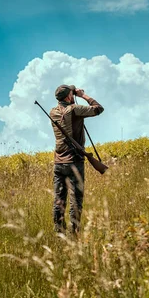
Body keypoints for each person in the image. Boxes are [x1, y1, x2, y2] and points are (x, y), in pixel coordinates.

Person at [50, 84, 104, 234]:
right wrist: (83, 96)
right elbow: (98, 108)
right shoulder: (75, 109)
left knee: (59, 200)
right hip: (74, 162)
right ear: (68, 96)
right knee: (76, 200)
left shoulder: (53, 112)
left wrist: (73, 97)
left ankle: (59, 232)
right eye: (72, 93)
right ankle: (75, 233)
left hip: (59, 163)